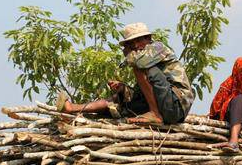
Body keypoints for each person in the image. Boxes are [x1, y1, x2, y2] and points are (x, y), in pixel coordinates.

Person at [58, 22, 194, 125]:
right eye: (131, 43)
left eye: (139, 40)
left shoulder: (158, 48)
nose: (136, 45)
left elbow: (140, 64)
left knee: (139, 66)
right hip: (164, 105)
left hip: (176, 105)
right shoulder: (142, 59)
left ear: (148, 38)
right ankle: (73, 109)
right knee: (118, 100)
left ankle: (155, 115)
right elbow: (145, 92)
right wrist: (123, 89)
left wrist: (129, 55)